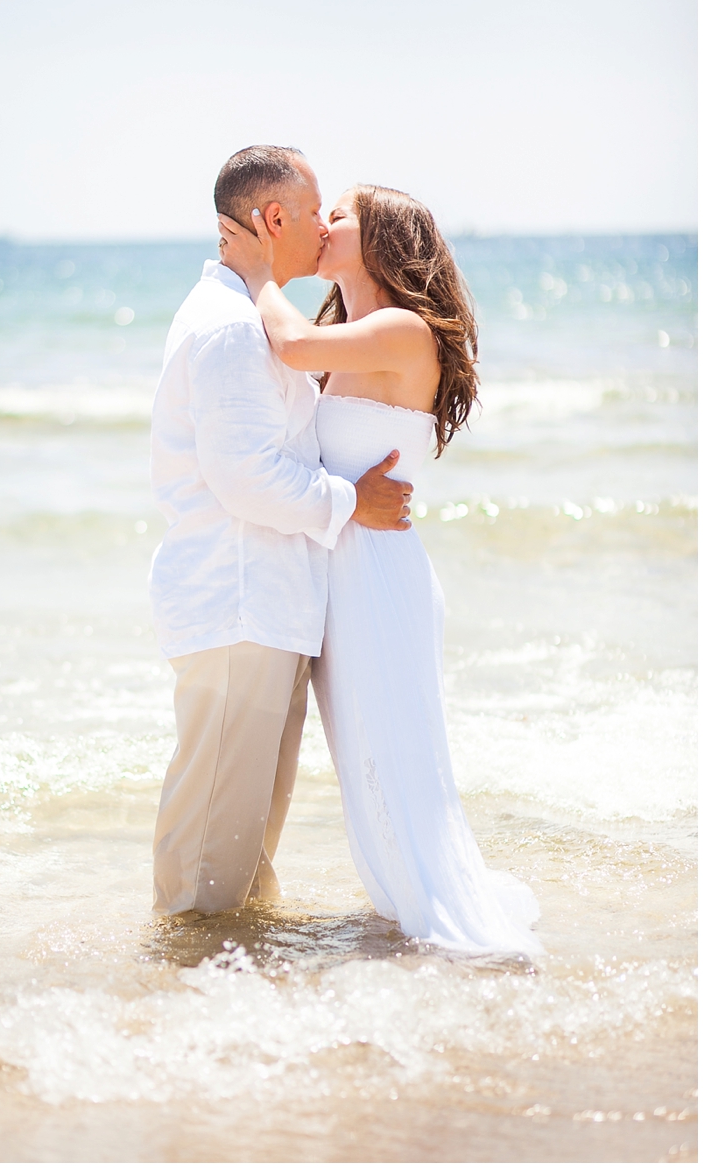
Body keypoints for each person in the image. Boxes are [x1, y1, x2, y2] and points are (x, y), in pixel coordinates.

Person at [218, 184, 543, 955]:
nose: (322, 223)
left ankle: (444, 918)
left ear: (384, 239)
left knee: (398, 755)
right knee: (365, 756)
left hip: (383, 579)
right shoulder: (355, 328)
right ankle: (405, 901)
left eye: (340, 216)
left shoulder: (402, 329)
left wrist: (260, 272)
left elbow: (289, 347)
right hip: (346, 576)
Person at [149, 147, 412, 916]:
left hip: (263, 609)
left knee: (245, 842)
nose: (326, 220)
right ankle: (177, 997)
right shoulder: (231, 328)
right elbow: (246, 476)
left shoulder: (245, 317)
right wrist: (348, 501)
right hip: (239, 609)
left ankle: (238, 1000)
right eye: (314, 207)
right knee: (209, 853)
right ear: (272, 220)